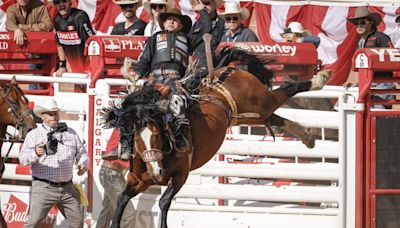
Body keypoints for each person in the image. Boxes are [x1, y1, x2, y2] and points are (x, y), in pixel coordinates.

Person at [119, 7, 209, 161]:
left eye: (175, 20)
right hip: (154, 79)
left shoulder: (187, 39)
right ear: (163, 23)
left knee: (178, 102)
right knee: (128, 102)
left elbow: (205, 29)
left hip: (175, 79)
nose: (171, 22)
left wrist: (204, 12)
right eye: (168, 19)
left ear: (180, 25)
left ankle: (181, 139)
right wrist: (137, 72)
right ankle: (126, 144)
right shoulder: (154, 39)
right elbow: (144, 60)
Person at [19, 99, 88, 228]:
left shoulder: (70, 133)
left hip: (67, 187)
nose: (53, 116)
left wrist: (82, 163)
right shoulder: (34, 135)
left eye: (55, 113)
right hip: (44, 187)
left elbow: (82, 153)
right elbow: (22, 160)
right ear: (42, 116)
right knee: (33, 223)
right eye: (50, 114)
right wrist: (36, 153)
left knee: (77, 223)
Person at [346, 6, 394, 109]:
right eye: (356, 23)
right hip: (368, 85)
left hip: (381, 85)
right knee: (368, 117)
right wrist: (358, 83)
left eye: (362, 22)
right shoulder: (361, 42)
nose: (359, 25)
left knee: (379, 118)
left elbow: (392, 59)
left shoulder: (381, 37)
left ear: (371, 23)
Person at [6, 0, 53, 90]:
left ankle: (39, 97)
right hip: (25, 50)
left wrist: (23, 28)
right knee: (32, 77)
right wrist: (17, 29)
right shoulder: (11, 9)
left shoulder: (40, 6)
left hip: (42, 49)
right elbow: (9, 24)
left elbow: (48, 26)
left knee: (44, 81)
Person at [96, 128, 136, 228]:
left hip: (110, 173)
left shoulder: (124, 126)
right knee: (128, 214)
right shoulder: (125, 128)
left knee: (108, 211)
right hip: (111, 174)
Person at [52, 0, 95, 80]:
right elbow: (59, 44)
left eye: (64, 1)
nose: (61, 5)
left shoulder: (80, 17)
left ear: (70, 2)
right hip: (75, 70)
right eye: (57, 2)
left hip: (89, 69)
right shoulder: (56, 19)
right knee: (78, 92)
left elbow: (92, 43)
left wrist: (94, 68)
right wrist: (63, 66)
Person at [189, 0, 224, 68]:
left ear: (215, 3)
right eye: (201, 4)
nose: (203, 6)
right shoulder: (195, 24)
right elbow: (190, 45)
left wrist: (202, 11)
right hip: (196, 66)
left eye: (206, 3)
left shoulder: (223, 23)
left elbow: (207, 29)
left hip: (216, 66)